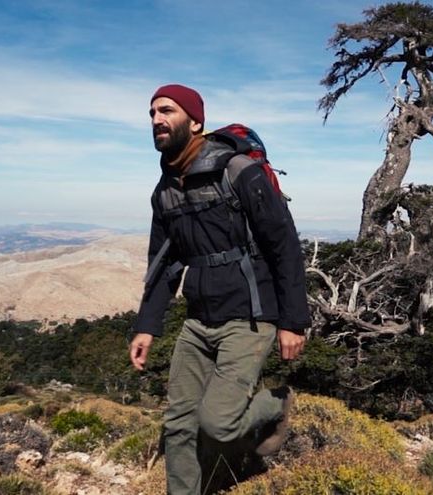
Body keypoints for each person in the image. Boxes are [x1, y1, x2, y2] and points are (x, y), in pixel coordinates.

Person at [128, 83, 311, 494]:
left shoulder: (237, 172)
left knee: (218, 423)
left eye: (167, 111)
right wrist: (147, 326)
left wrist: (293, 321)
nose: (157, 119)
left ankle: (276, 402)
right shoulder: (165, 191)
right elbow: (163, 264)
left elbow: (284, 244)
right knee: (178, 423)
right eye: (153, 113)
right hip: (199, 320)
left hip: (250, 316)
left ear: (195, 122)